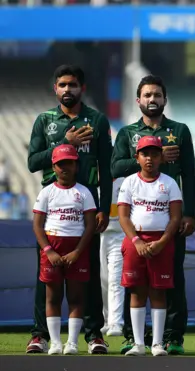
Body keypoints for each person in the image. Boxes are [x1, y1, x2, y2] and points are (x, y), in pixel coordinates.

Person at [27, 64, 112, 354]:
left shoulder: (97, 120)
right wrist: (66, 142)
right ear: (55, 88)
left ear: (82, 88)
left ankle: (93, 334)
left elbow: (107, 168)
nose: (67, 90)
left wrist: (104, 207)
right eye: (62, 85)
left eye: (72, 85)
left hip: (86, 205)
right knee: (46, 275)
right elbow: (32, 163)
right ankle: (39, 335)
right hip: (52, 206)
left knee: (88, 272)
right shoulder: (45, 120)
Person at [111, 75, 195, 355]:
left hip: (170, 220)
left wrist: (190, 213)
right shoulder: (126, 133)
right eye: (147, 95)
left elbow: (189, 176)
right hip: (137, 221)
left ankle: (172, 337)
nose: (152, 99)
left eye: (157, 95)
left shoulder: (180, 130)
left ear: (165, 99)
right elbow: (114, 168)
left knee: (172, 279)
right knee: (133, 282)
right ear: (138, 100)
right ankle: (132, 337)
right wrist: (150, 156)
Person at [117, 135, 183, 357]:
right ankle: (137, 343)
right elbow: (123, 217)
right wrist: (136, 241)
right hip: (135, 241)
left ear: (161, 157)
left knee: (159, 292)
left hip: (162, 242)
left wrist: (162, 242)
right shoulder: (129, 182)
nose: (150, 159)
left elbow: (175, 218)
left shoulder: (170, 183)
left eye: (155, 154)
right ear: (137, 157)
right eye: (145, 154)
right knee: (136, 292)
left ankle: (156, 343)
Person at [33, 145, 97, 355]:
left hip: (76, 248)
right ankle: (55, 343)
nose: (65, 168)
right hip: (52, 247)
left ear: (76, 165)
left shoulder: (84, 192)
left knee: (76, 297)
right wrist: (49, 250)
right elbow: (37, 225)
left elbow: (89, 226)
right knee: (52, 297)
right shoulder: (47, 192)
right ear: (53, 167)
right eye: (61, 164)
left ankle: (72, 343)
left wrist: (77, 252)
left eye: (69, 163)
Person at [100, 177, 126, 337]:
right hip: (99, 236)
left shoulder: (124, 181)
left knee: (115, 280)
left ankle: (116, 322)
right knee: (102, 280)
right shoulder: (92, 182)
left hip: (119, 235)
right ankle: (107, 320)